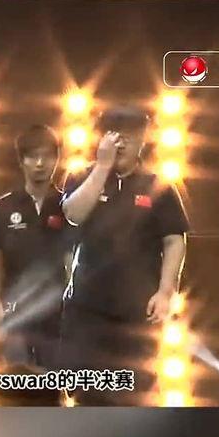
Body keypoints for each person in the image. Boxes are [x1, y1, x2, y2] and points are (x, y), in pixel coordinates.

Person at [59, 104, 189, 405]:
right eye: (113, 135)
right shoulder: (82, 176)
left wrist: (166, 291)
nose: (120, 143)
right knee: (86, 395)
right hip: (87, 308)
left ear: (143, 140)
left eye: (128, 137)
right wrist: (102, 167)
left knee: (135, 394)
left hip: (137, 310)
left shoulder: (158, 185)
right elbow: (73, 214)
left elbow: (174, 240)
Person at [0, 124, 72, 368]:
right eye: (33, 156)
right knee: (16, 377)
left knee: (54, 379)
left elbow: (73, 258)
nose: (40, 163)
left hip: (56, 311)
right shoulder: (2, 208)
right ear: (21, 160)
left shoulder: (68, 206)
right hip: (14, 309)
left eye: (47, 156)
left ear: (56, 159)